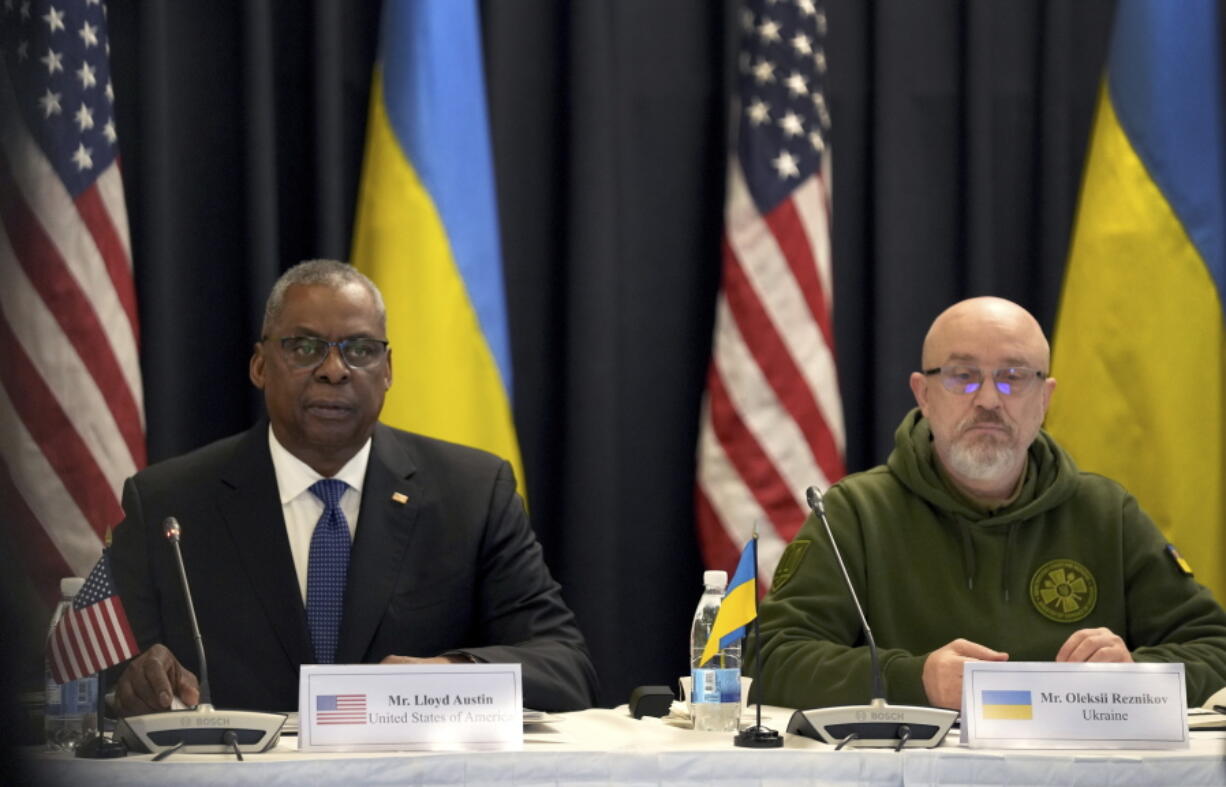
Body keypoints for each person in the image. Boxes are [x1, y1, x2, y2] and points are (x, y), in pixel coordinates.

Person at [110, 260, 598, 714]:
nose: (334, 369)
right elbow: (98, 680)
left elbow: (564, 668)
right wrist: (131, 684)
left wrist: (449, 674)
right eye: (304, 347)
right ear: (259, 366)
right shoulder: (168, 503)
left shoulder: (472, 493)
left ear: (388, 372)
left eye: (360, 350)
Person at [755, 296, 1226, 710]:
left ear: (1044, 398)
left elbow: (1214, 649)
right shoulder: (856, 513)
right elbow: (770, 656)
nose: (988, 400)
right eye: (962, 376)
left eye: (1013, 377)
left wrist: (1134, 678)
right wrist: (912, 679)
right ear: (923, 393)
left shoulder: (1106, 513)